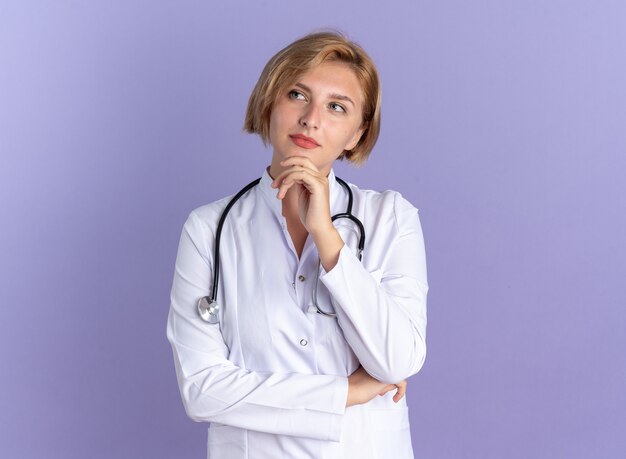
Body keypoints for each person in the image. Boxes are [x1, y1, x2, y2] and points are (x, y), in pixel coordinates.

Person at [166, 30, 428, 458]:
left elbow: (398, 361)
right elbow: (202, 390)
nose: (311, 118)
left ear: (356, 135)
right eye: (297, 95)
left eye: (336, 107)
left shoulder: (391, 219)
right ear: (269, 103)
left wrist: (326, 236)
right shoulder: (209, 229)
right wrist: (349, 391)